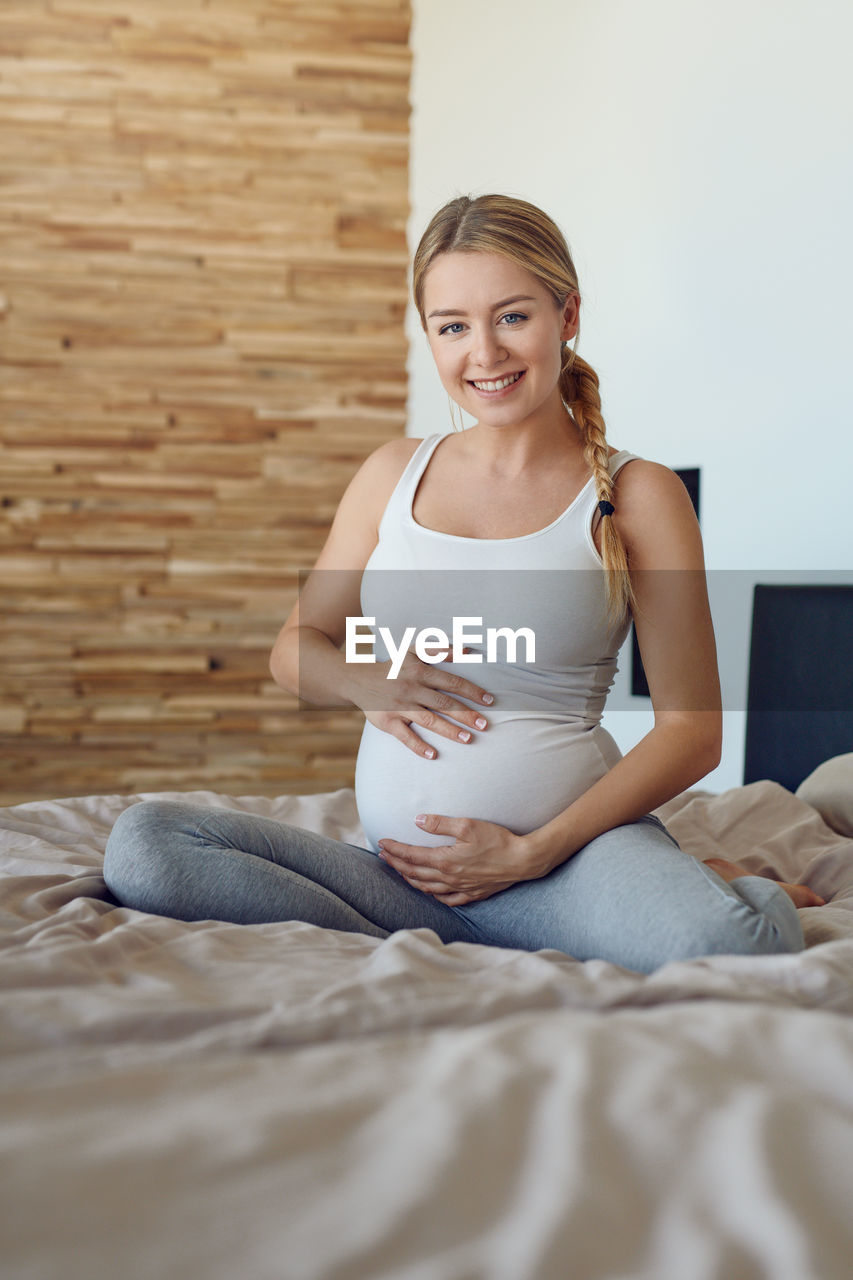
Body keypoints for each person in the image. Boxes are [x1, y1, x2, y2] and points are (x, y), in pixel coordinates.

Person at [104, 194, 823, 974]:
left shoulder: (637, 494)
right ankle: (536, 920)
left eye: (511, 316)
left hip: (563, 859)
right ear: (429, 337)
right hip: (400, 876)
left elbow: (693, 731)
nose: (483, 352)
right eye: (452, 326)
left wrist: (530, 853)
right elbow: (293, 648)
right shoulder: (390, 475)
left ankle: (644, 894)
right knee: (149, 848)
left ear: (566, 314)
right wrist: (366, 682)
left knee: (734, 944)